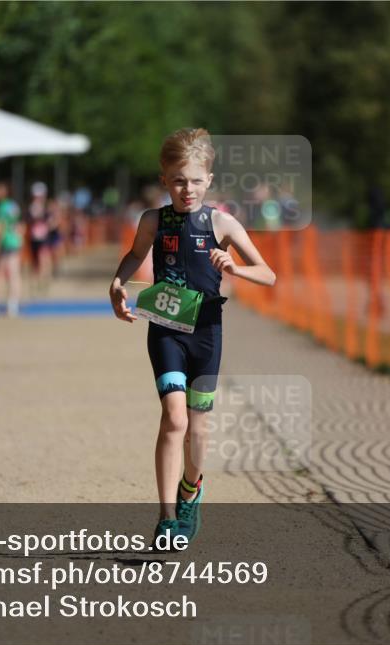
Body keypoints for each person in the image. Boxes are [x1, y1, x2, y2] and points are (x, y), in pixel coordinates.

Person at [109, 129, 276, 546]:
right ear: (165, 180)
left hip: (207, 332)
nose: (188, 189)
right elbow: (134, 255)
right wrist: (117, 284)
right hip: (165, 328)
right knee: (174, 419)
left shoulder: (221, 222)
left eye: (196, 180)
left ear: (209, 180)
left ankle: (190, 490)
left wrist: (234, 269)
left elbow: (268, 274)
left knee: (198, 429)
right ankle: (166, 516)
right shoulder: (153, 221)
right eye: (179, 179)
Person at [0, 182, 24, 317]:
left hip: (6, 243)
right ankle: (13, 304)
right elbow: (19, 224)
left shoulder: (2, 207)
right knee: (14, 273)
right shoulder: (13, 206)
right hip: (14, 242)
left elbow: (0, 227)